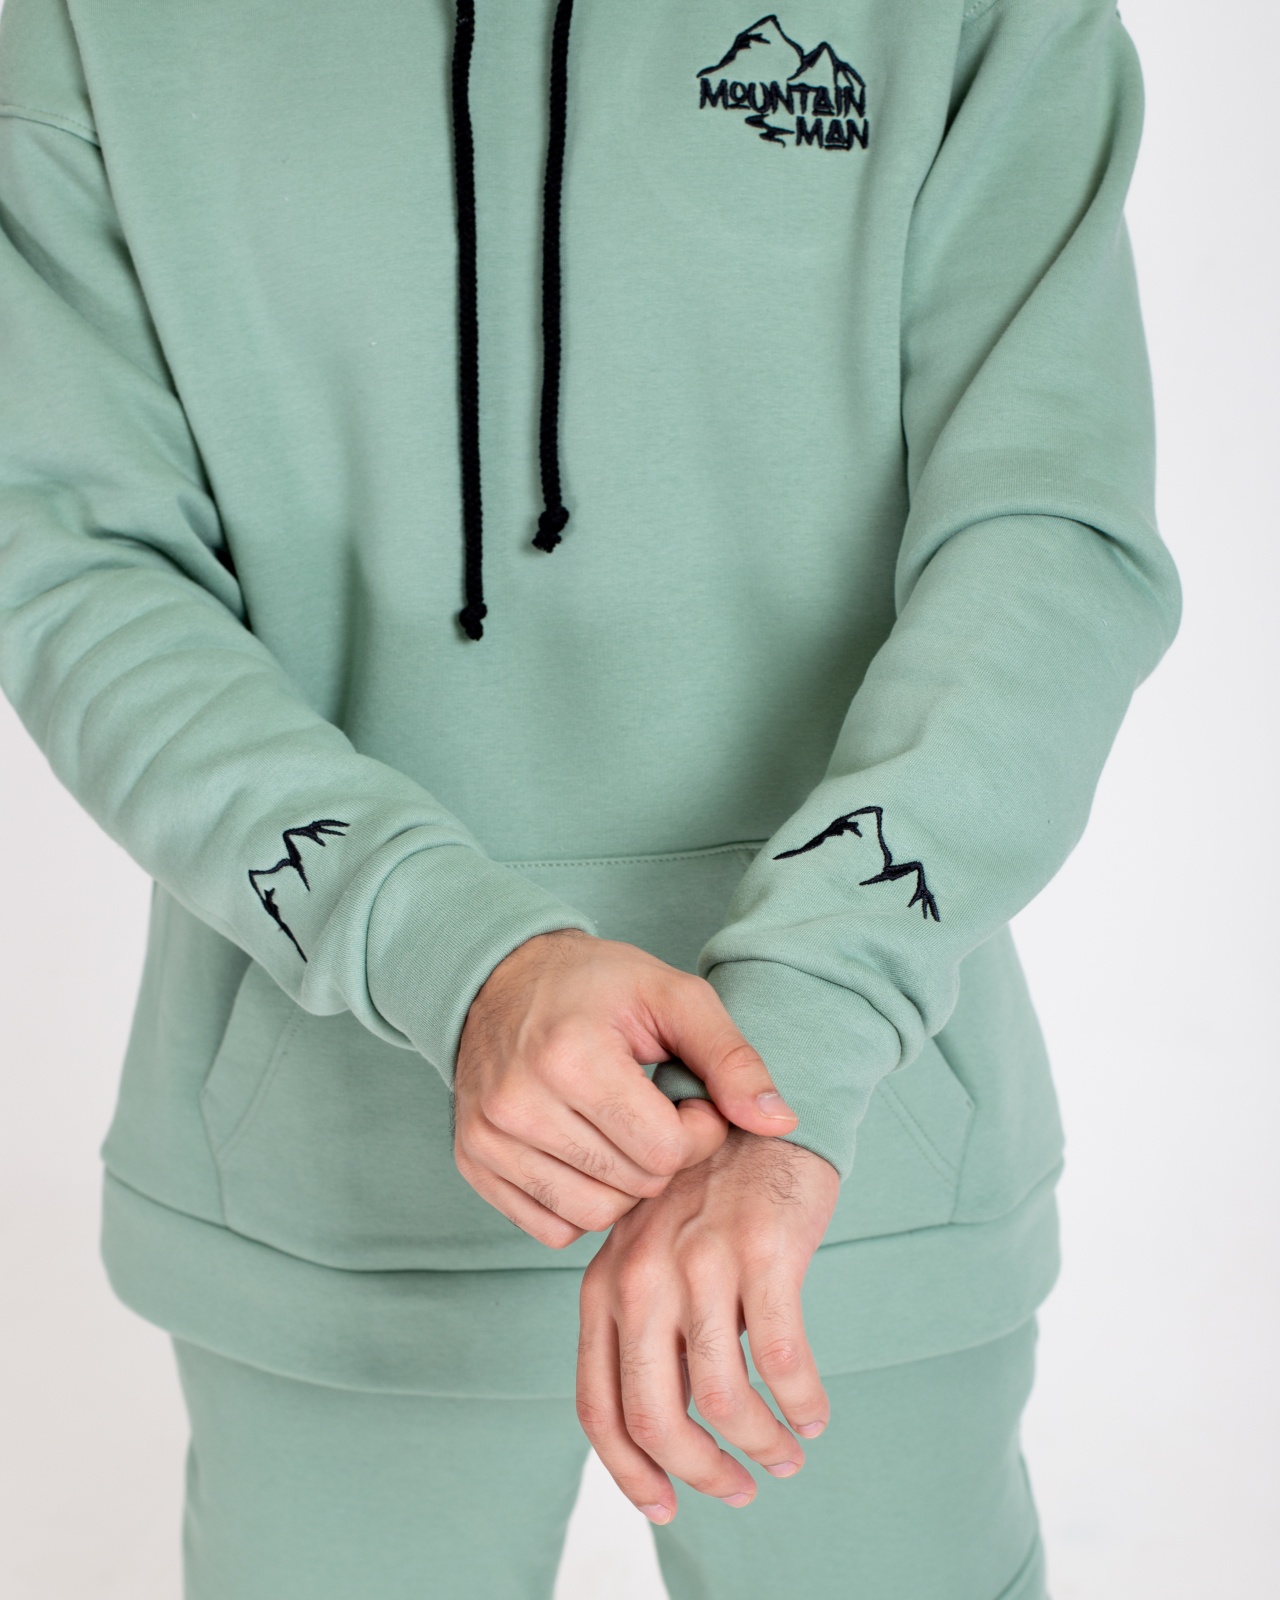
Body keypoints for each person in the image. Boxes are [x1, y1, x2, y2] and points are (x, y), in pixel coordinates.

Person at [0, 0, 1180, 1595]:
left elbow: (1051, 538)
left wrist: (806, 1023)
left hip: (851, 1145)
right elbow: (72, 559)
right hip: (325, 1183)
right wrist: (449, 950)